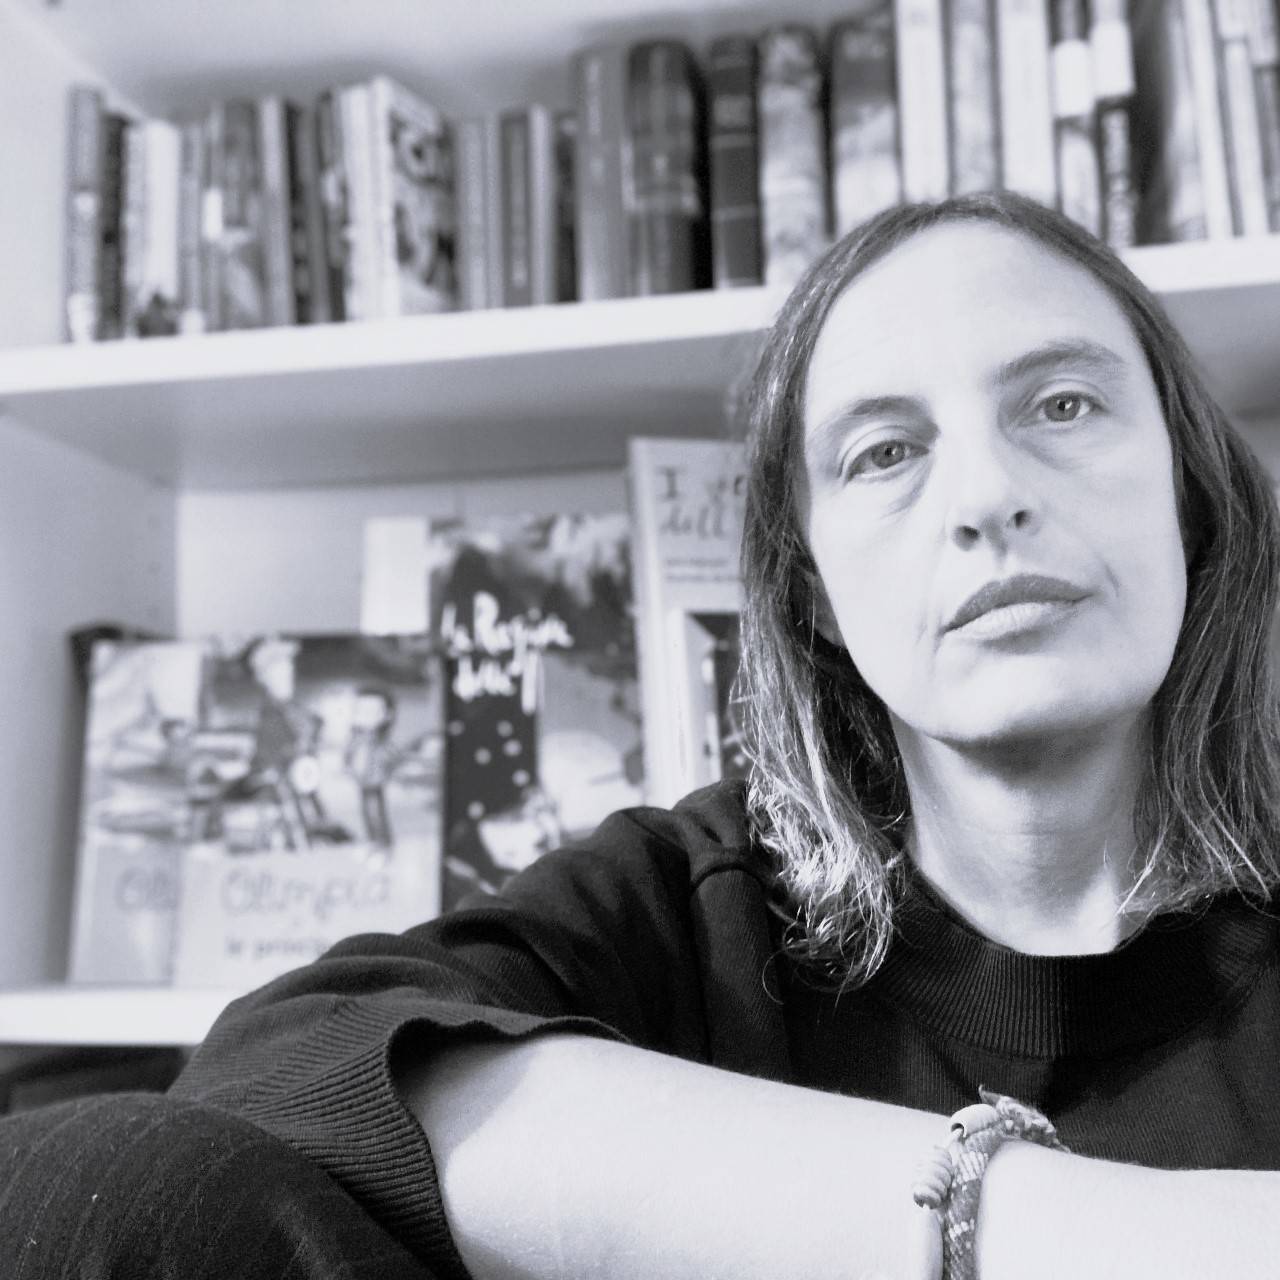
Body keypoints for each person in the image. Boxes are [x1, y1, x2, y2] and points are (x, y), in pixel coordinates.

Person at [5, 189, 1280, 1279]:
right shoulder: (698, 906)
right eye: (884, 451)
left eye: (1061, 404)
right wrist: (1007, 1216)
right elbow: (278, 1073)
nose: (988, 496)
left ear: (1188, 492)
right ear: (811, 593)